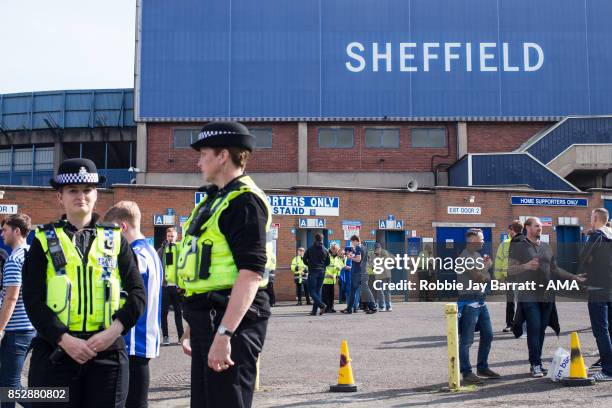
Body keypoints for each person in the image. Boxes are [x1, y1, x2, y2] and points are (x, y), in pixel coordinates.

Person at [22, 158, 146, 408]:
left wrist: (111, 333)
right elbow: (32, 299)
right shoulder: (43, 239)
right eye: (73, 191)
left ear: (96, 194)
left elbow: (137, 293)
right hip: (56, 353)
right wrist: (64, 339)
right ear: (60, 197)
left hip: (107, 354)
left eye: (87, 190)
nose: (81, 196)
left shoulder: (115, 239)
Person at [177, 121, 273, 407]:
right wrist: (194, 325)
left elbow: (252, 273)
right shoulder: (215, 200)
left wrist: (224, 333)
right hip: (209, 317)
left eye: (203, 154)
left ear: (222, 156)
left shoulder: (243, 202)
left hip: (231, 321)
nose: (198, 162)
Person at [508, 217, 584, 378]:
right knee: (534, 328)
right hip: (528, 294)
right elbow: (510, 270)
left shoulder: (546, 247)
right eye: (536, 226)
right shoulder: (519, 246)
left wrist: (573, 277)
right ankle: (535, 364)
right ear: (527, 227)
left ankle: (537, 362)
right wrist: (525, 266)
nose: (540, 229)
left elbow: (555, 269)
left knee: (541, 330)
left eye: (541, 226)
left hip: (547, 294)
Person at [104, 201, 163, 407]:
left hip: (133, 340)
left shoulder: (136, 255)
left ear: (122, 227)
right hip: (142, 338)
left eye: (111, 231)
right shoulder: (150, 251)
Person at [0, 214, 35, 408]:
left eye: (5, 229)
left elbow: (11, 298)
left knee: (10, 383)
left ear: (17, 231)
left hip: (17, 330)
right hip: (31, 326)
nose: (2, 233)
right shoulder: (31, 253)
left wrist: (0, 329)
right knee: (4, 380)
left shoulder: (14, 260)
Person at [457, 229, 499, 385]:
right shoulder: (464, 257)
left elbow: (486, 279)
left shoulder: (477, 256)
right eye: (481, 239)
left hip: (481, 300)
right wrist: (487, 267)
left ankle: (482, 367)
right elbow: (480, 278)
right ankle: (466, 372)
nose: (483, 241)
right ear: (472, 240)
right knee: (467, 340)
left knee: (488, 335)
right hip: (469, 302)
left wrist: (484, 272)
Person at [581, 208, 612, 381]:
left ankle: (608, 370)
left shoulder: (597, 236)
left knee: (601, 331)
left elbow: (583, 256)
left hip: (598, 289)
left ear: (595, 218)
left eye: (591, 217)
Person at [494, 220, 523, 332]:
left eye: (510, 230)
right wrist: (499, 277)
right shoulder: (505, 244)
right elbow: (499, 260)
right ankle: (510, 324)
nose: (509, 232)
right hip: (509, 277)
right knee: (510, 301)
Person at [158, 227, 184, 345]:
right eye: (168, 236)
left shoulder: (181, 249)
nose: (170, 238)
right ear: (166, 237)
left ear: (177, 237)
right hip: (165, 286)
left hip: (177, 287)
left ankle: (181, 337)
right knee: (164, 313)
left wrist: (182, 284)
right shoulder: (161, 250)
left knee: (178, 313)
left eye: (172, 236)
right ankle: (166, 337)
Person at [343, 236, 376, 314]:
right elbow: (366, 259)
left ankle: (349, 309)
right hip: (364, 271)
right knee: (365, 290)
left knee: (353, 291)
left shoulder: (358, 247)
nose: (352, 244)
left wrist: (350, 257)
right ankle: (373, 307)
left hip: (357, 273)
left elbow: (358, 259)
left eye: (352, 242)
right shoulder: (364, 247)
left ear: (356, 241)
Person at [303, 233, 330, 316]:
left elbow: (304, 260)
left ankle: (322, 305)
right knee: (318, 292)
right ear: (322, 239)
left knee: (311, 292)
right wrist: (322, 267)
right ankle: (314, 311)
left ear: (315, 239)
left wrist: (309, 265)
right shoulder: (325, 250)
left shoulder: (310, 249)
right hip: (322, 272)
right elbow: (328, 262)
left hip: (313, 271)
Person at [370, 242, 393, 312]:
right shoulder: (384, 253)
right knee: (384, 291)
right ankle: (385, 306)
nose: (377, 250)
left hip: (383, 275)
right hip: (383, 275)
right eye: (376, 249)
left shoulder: (381, 254)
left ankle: (384, 306)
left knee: (383, 291)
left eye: (378, 248)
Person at [322, 243, 342, 313]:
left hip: (332, 279)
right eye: (336, 250)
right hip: (326, 279)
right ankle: (326, 308)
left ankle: (331, 307)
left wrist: (338, 270)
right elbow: (323, 266)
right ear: (332, 249)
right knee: (325, 295)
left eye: (337, 250)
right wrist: (327, 274)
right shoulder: (327, 256)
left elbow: (338, 265)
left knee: (331, 295)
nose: (337, 251)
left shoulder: (336, 257)